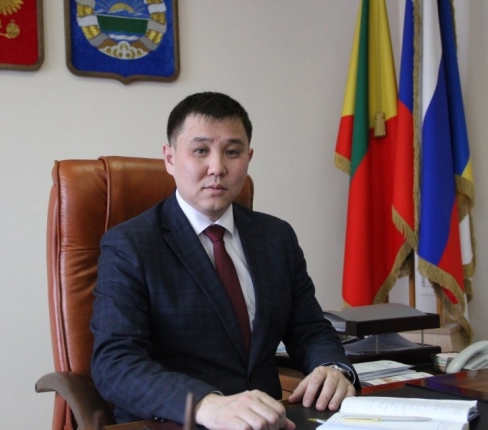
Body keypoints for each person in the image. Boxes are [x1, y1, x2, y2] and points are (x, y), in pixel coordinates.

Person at [91, 92, 358, 429]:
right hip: (175, 422)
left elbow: (308, 328)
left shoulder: (276, 237)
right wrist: (205, 404)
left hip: (269, 421)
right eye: (200, 151)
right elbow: (115, 363)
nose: (217, 168)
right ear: (170, 158)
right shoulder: (130, 245)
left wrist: (333, 368)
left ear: (249, 157)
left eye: (232, 152)